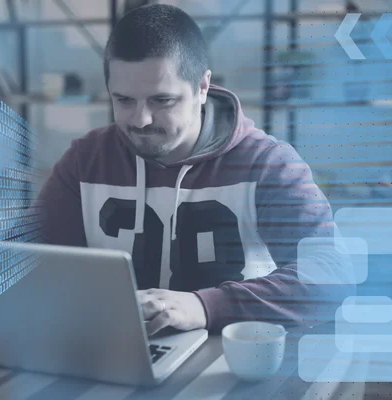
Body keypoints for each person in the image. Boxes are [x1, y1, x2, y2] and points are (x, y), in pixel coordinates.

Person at [29, 4, 355, 336]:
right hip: (115, 352)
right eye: (124, 100)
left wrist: (205, 306)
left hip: (231, 366)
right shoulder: (85, 161)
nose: (141, 120)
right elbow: (27, 264)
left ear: (202, 87)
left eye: (162, 100)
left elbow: (333, 275)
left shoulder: (266, 163)